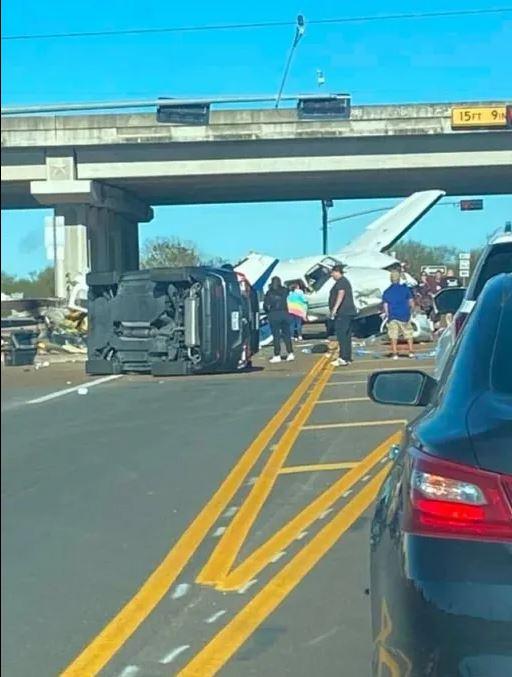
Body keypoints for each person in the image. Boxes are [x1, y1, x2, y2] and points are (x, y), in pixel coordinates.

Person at [382, 270, 416, 359]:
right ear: (399, 279)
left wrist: (387, 315)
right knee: (408, 333)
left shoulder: (387, 291)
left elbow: (386, 306)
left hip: (393, 315)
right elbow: (411, 302)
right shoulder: (405, 289)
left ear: (391, 279)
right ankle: (411, 351)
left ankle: (395, 353)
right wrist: (412, 310)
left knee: (393, 335)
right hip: (404, 314)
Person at [329, 265, 357, 367]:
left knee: (341, 335)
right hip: (348, 312)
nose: (331, 275)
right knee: (346, 335)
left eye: (332, 273)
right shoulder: (344, 281)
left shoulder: (341, 282)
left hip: (343, 312)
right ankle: (347, 357)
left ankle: (343, 358)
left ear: (337, 272)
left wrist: (335, 309)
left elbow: (341, 294)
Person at [263, 276, 294, 363]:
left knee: (276, 336)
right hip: (285, 313)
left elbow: (266, 306)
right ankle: (290, 353)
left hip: (274, 315)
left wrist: (268, 312)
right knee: (287, 334)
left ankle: (277, 355)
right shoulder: (285, 291)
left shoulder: (269, 293)